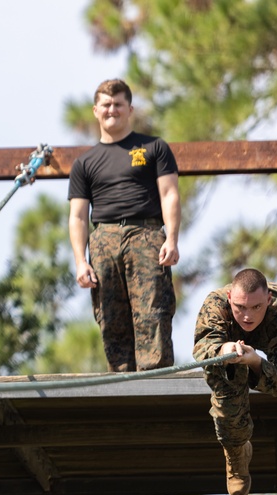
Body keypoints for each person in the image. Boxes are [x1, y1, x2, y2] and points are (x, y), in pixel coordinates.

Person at [68, 78, 182, 371]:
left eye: (118, 104)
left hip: (145, 233)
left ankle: (155, 378)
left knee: (152, 311)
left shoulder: (153, 147)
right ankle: (120, 380)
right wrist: (81, 261)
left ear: (129, 108)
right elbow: (78, 216)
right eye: (106, 104)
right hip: (103, 237)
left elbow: (169, 194)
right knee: (110, 315)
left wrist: (171, 238)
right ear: (96, 110)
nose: (112, 110)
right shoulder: (84, 163)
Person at [193, 268, 277, 495]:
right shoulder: (215, 304)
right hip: (230, 348)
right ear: (229, 299)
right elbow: (202, 348)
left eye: (256, 307)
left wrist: (256, 362)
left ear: (268, 299)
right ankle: (236, 450)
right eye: (240, 307)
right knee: (224, 381)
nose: (247, 316)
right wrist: (223, 350)